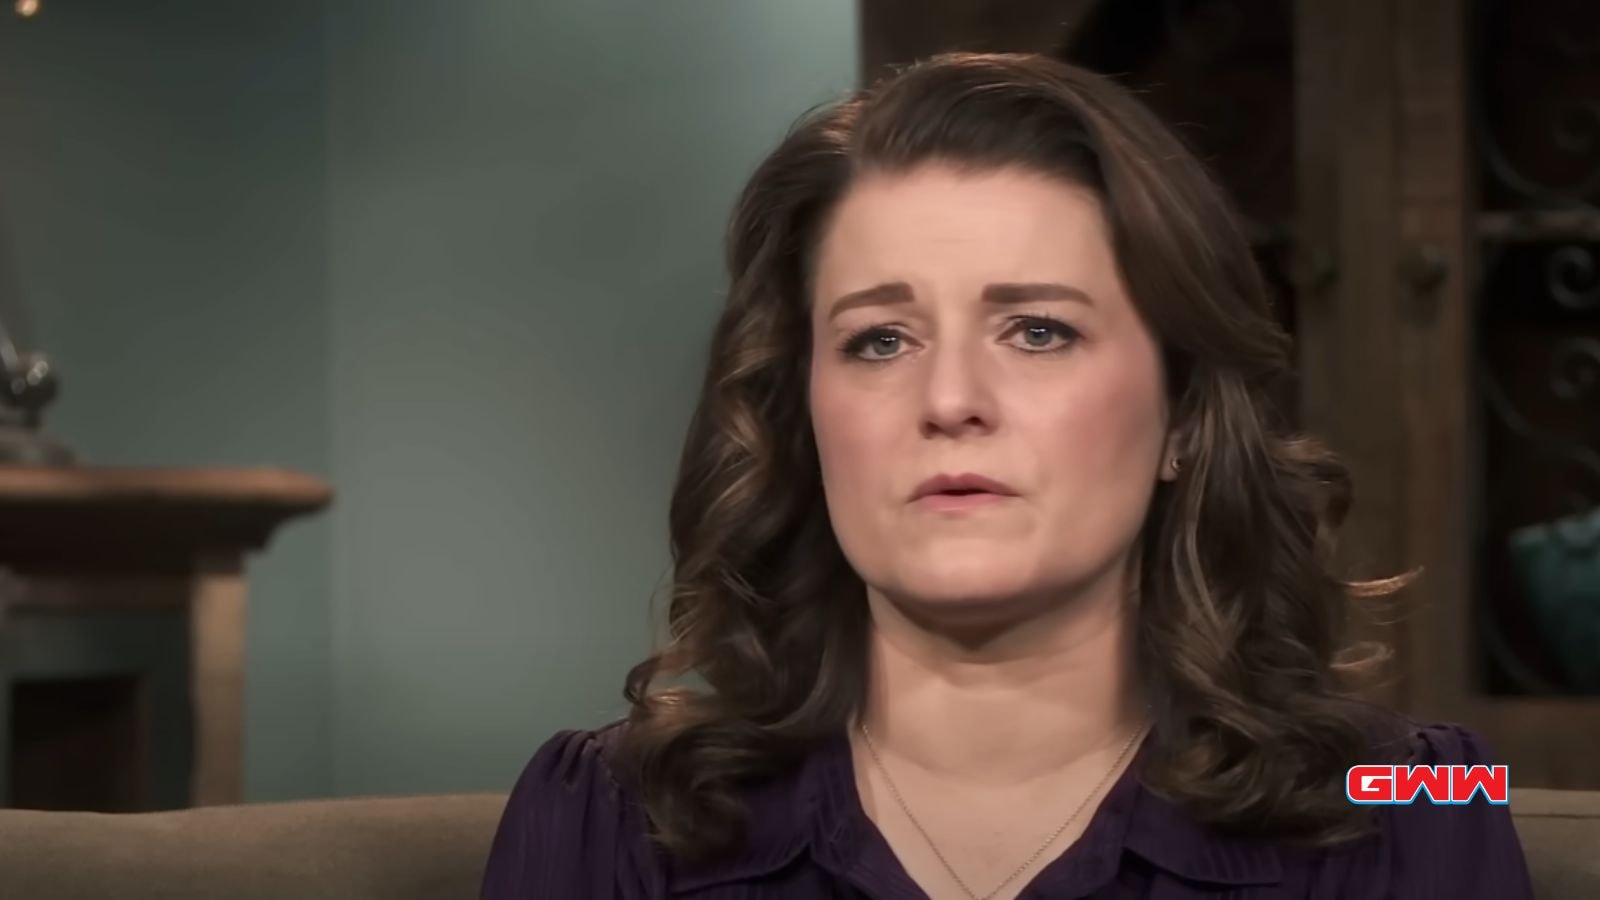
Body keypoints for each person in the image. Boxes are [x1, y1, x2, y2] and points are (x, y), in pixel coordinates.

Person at [480, 52, 1535, 899]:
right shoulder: (605, 819)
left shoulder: (1422, 804)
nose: (949, 400)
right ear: (800, 418)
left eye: (1035, 331)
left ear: (1180, 417)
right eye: (879, 341)